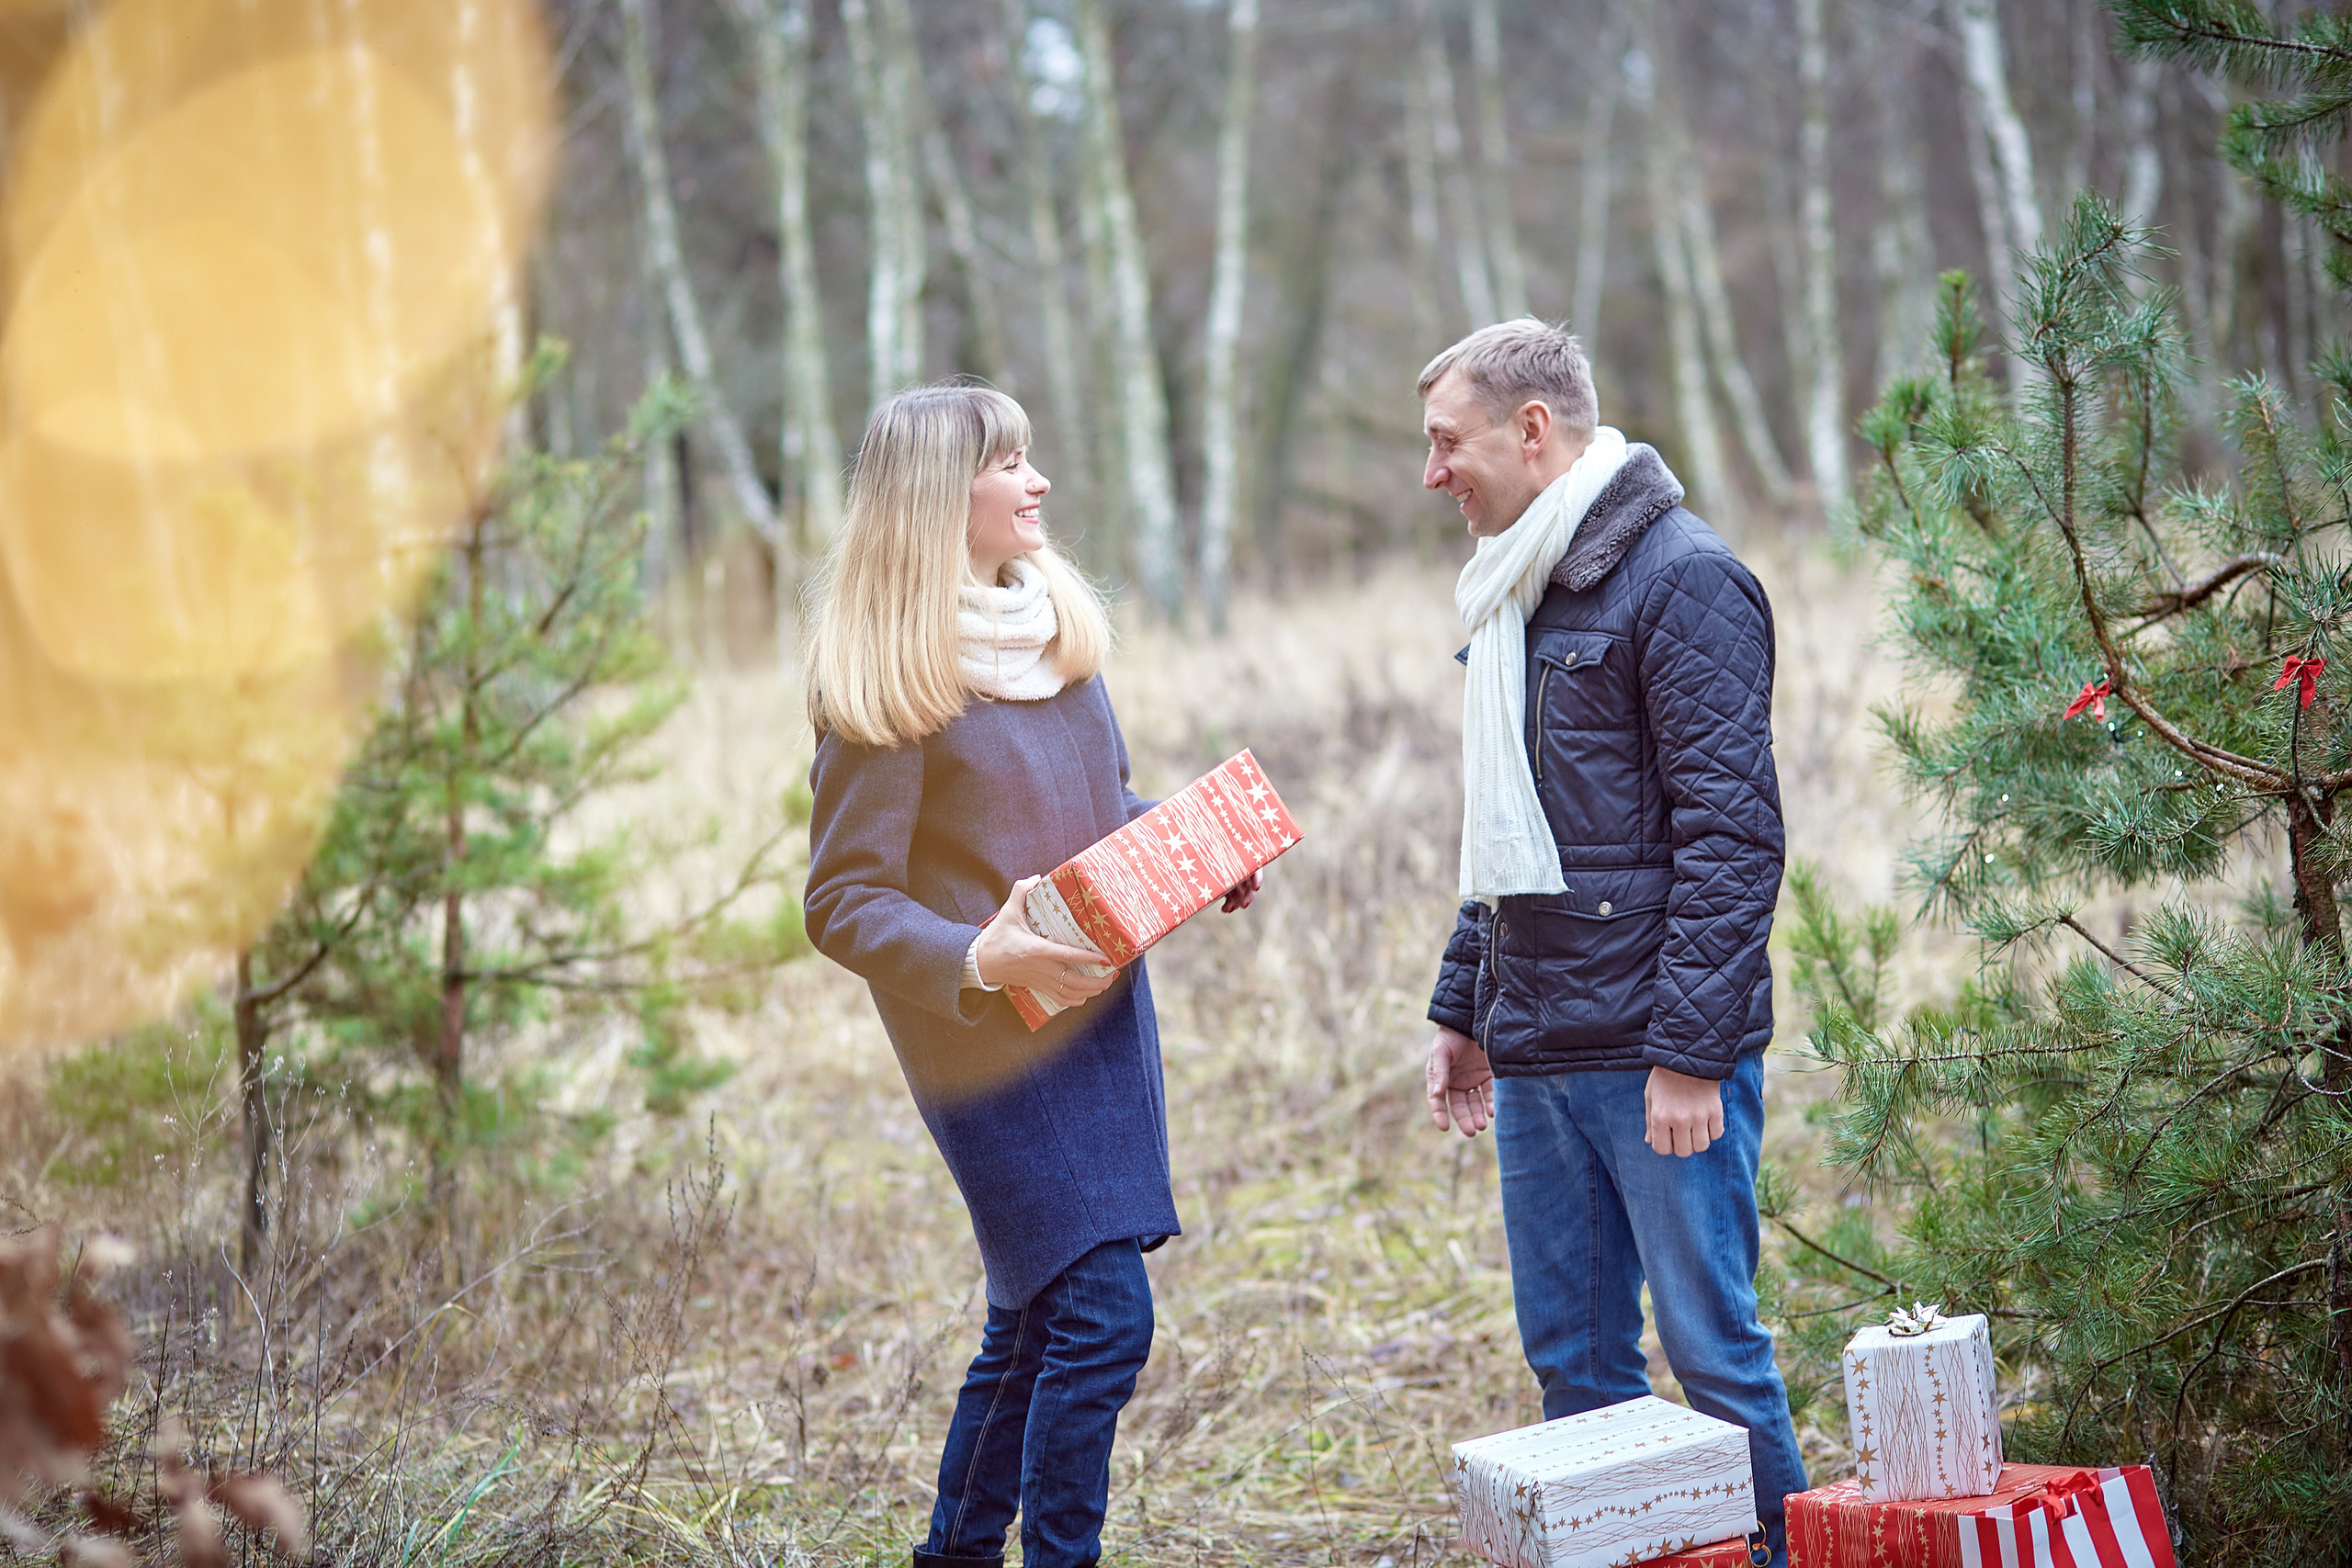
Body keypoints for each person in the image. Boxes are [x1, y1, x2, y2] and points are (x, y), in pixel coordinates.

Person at [802, 382, 1257, 1568]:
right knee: (1102, 1319)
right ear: (935, 498)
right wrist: (974, 954)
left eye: (1029, 456)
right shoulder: (886, 684)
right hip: (985, 1050)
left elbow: (1101, 812)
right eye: (1007, 462)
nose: (1036, 480)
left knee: (1034, 1318)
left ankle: (954, 1555)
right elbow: (841, 901)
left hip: (1099, 1024)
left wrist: (1195, 847)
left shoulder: (1055, 637)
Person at [1415, 320, 1807, 1563]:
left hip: (1653, 1061)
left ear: (1532, 430)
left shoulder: (1685, 579)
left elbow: (1733, 838)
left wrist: (1690, 1057)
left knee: (1713, 1355)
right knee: (1576, 1367)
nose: (1432, 473)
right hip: (1538, 1049)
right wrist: (1465, 1008)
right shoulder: (1516, 583)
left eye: (1448, 443)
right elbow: (1511, 836)